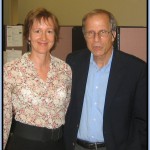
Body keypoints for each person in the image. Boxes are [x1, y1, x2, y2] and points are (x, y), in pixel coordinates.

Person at [64, 9, 147, 150]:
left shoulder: (135, 69)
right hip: (76, 146)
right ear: (84, 36)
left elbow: (142, 120)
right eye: (90, 33)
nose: (96, 39)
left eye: (103, 32)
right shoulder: (73, 62)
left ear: (113, 35)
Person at [3, 7, 72, 150]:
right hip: (24, 144)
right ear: (28, 35)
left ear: (55, 36)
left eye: (49, 31)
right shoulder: (11, 70)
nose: (43, 37)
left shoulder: (65, 70)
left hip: (58, 144)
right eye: (37, 31)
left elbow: (65, 108)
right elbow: (4, 118)